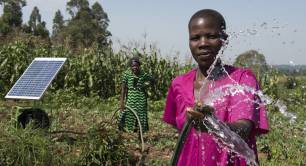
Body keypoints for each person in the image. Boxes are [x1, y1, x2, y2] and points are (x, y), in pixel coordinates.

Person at [163, 9, 269, 165]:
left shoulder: (241, 80)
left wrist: (211, 124)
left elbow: (244, 130)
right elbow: (180, 129)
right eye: (195, 38)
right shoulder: (178, 84)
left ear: (224, 40)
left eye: (211, 36)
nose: (203, 43)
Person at [119, 56, 154, 133]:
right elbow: (123, 89)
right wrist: (122, 102)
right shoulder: (127, 74)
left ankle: (140, 133)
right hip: (131, 98)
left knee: (141, 116)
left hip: (141, 99)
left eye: (136, 66)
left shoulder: (143, 74)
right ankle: (128, 131)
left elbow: (152, 80)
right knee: (128, 114)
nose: (135, 67)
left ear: (139, 66)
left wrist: (145, 86)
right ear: (130, 66)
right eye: (133, 66)